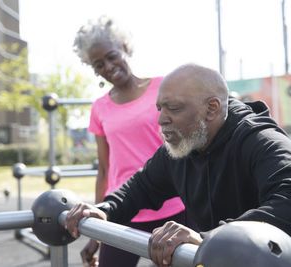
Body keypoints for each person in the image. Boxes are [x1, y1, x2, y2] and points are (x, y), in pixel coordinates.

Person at [65, 63, 291, 267]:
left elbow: (287, 202)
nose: (161, 119)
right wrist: (102, 209)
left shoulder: (262, 141)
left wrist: (207, 238)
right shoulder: (181, 147)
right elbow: (140, 187)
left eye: (173, 108)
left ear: (211, 108)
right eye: (160, 108)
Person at [72, 16, 187, 267]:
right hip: (125, 209)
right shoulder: (99, 108)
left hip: (175, 207)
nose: (108, 67)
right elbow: (104, 169)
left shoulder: (163, 87)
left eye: (111, 56)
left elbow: (188, 147)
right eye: (99, 64)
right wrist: (97, 225)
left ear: (124, 47)